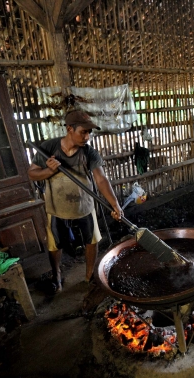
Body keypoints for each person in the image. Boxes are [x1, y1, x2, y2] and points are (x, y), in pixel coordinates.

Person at [28, 110, 123, 294]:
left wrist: (115, 204)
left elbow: (101, 180)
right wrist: (49, 171)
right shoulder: (49, 148)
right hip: (57, 207)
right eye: (83, 132)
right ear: (70, 129)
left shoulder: (89, 153)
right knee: (55, 244)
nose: (87, 136)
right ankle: (56, 275)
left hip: (84, 206)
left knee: (92, 241)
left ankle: (89, 276)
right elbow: (32, 173)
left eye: (89, 132)